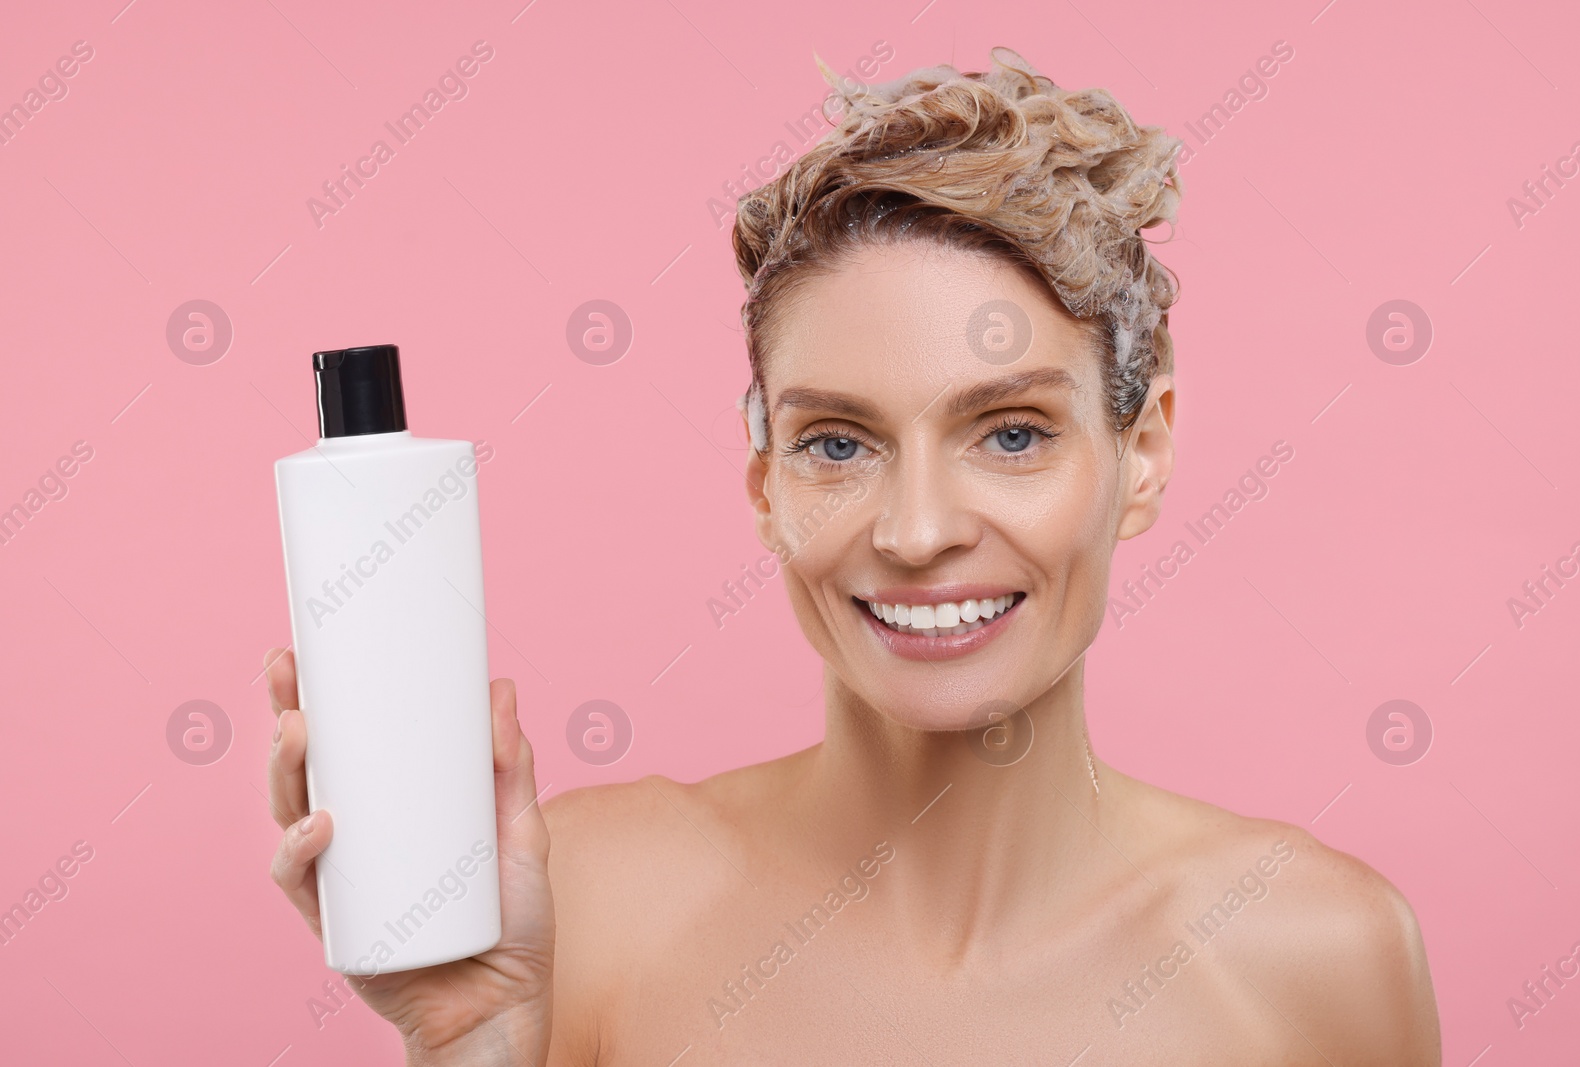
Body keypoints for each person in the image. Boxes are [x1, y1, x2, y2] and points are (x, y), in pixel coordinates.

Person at [266, 46, 1441, 1065]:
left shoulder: (1314, 957)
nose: (917, 529)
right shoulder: (582, 903)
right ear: (765, 483)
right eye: (838, 441)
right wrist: (471, 1044)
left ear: (1142, 453)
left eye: (1013, 432)